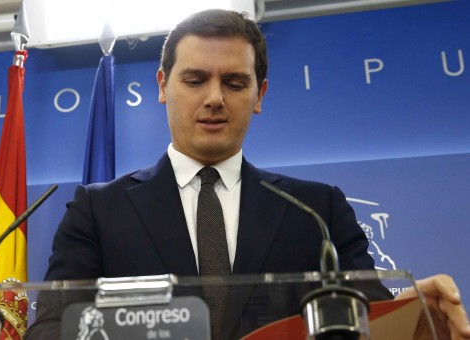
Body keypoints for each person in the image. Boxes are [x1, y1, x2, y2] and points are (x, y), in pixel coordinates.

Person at [27, 9, 470, 340]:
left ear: (260, 94)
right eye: (195, 80)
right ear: (163, 87)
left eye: (235, 83)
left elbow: (370, 319)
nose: (215, 98)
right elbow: (51, 329)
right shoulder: (99, 210)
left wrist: (416, 316)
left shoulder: (317, 210)